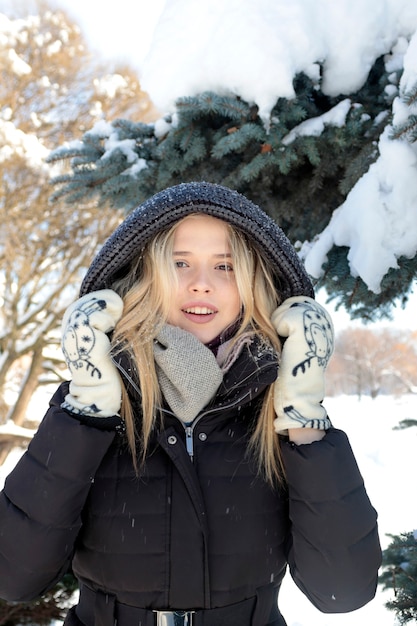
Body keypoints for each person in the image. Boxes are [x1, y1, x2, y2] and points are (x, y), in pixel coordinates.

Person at [0, 182, 381, 626]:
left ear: (253, 283)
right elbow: (14, 575)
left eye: (226, 266)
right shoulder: (99, 398)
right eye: (179, 263)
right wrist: (85, 411)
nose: (202, 284)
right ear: (146, 276)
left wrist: (304, 418)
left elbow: (343, 589)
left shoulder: (276, 407)